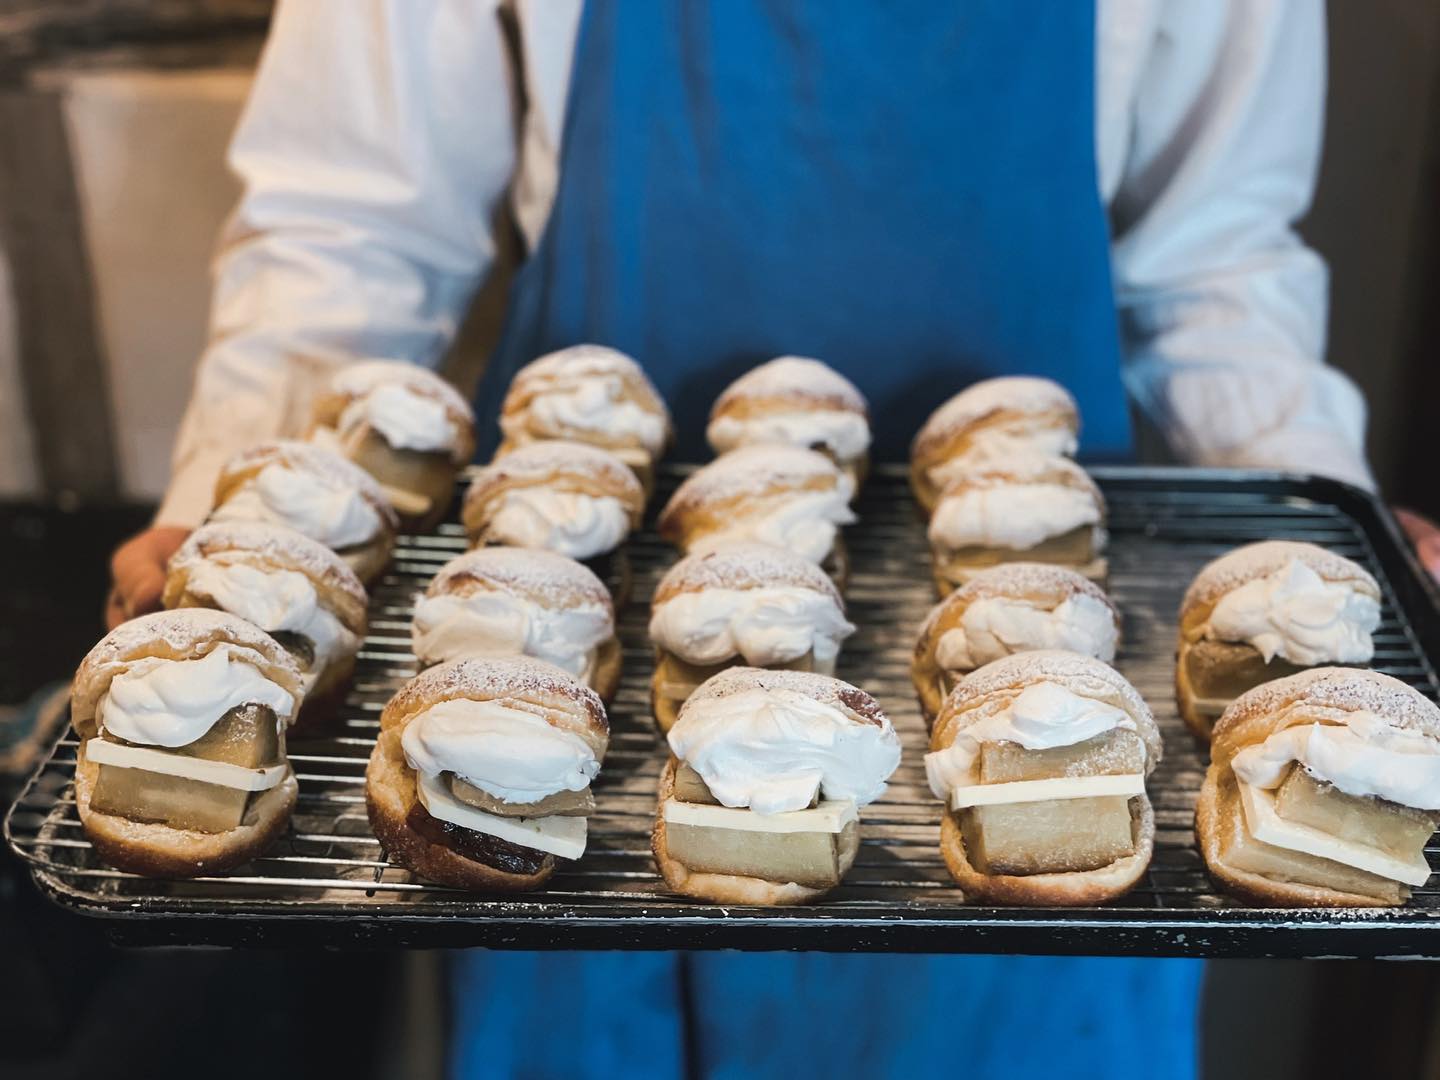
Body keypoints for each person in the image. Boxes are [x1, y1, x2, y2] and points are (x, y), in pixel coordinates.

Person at [103, 2, 1437, 1077]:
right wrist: (234, 499)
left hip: (1037, 665)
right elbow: (352, 216)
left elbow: (1216, 266)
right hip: (595, 597)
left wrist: (1344, 523)